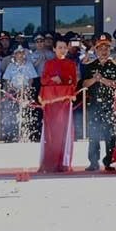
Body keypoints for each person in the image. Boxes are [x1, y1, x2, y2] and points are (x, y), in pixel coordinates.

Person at [81, 33, 116, 171]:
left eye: (106, 48)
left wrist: (102, 79)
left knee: (110, 134)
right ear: (96, 50)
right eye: (100, 49)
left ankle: (108, 161)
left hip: (110, 103)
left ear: (110, 50)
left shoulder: (115, 66)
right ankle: (93, 162)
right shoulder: (90, 66)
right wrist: (94, 79)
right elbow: (84, 84)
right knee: (94, 134)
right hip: (94, 104)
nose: (103, 51)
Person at [38, 38, 79, 172]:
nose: (62, 50)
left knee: (64, 130)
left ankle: (63, 162)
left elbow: (74, 82)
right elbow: (43, 80)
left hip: (64, 103)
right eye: (59, 47)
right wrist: (53, 80)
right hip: (51, 103)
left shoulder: (71, 64)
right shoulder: (49, 64)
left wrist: (65, 81)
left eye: (64, 48)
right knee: (51, 131)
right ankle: (50, 162)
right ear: (54, 49)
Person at [1, 46, 38, 141]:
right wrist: (13, 89)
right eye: (18, 53)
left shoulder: (29, 64)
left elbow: (31, 79)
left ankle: (26, 135)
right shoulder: (10, 66)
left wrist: (26, 89)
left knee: (26, 113)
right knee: (13, 113)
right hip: (14, 93)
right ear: (15, 55)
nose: (20, 55)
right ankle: (13, 135)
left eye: (22, 53)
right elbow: (7, 80)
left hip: (25, 91)